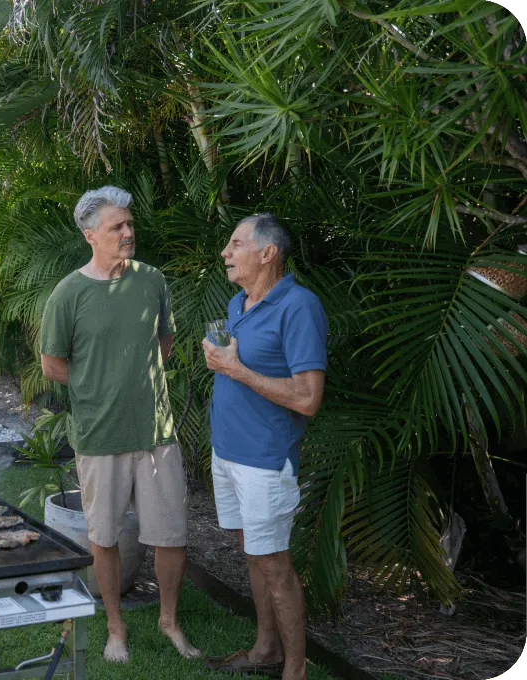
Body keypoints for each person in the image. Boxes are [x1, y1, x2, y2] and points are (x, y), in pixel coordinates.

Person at [39, 186, 200, 663]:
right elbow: (52, 364)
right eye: (117, 227)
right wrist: (98, 387)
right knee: (104, 536)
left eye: (130, 224)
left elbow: (164, 345)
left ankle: (169, 621)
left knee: (171, 533)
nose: (128, 232)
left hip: (156, 433)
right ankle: (115, 628)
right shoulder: (69, 293)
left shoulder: (152, 280)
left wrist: (133, 382)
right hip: (100, 436)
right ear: (91, 235)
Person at [202, 214, 326, 680]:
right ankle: (265, 649)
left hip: (265, 461)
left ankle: (296, 670)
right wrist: (223, 361)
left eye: (235, 244)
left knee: (274, 566)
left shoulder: (299, 306)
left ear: (267, 252)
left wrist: (237, 370)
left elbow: (309, 399)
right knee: (254, 553)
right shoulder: (238, 303)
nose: (225, 253)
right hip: (228, 453)